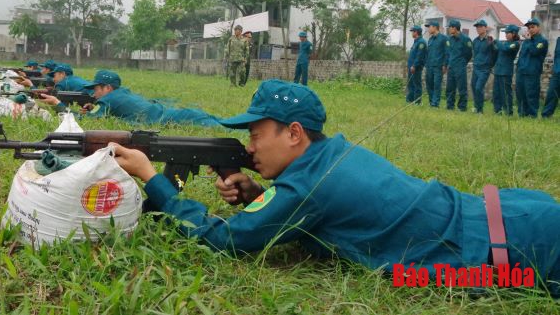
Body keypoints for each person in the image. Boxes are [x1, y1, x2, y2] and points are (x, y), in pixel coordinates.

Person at [110, 79, 560, 296]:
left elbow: (225, 241)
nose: (250, 145)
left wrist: (153, 179)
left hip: (510, 252)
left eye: (255, 134)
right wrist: (256, 196)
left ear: (293, 133)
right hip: (511, 212)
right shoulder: (331, 155)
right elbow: (308, 212)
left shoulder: (309, 185)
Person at [41, 70, 221, 127]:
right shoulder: (120, 93)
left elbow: (84, 120)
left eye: (96, 89)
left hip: (167, 118)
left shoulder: (109, 99)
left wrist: (59, 105)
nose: (94, 94)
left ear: (108, 88)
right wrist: (95, 105)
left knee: (219, 126)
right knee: (211, 119)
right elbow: (102, 110)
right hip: (169, 112)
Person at [516, 18, 549, 117]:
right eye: (529, 27)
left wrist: (529, 40)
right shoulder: (527, 40)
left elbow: (534, 51)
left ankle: (532, 115)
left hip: (532, 72)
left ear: (538, 27)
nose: (530, 29)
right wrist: (518, 67)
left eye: (533, 27)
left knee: (531, 94)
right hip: (521, 71)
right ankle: (522, 114)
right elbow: (522, 55)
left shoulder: (542, 41)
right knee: (520, 93)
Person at [492, 25, 521, 115]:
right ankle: (498, 110)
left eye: (507, 33)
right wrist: (492, 44)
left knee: (506, 93)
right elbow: (498, 50)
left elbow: (505, 49)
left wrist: (497, 41)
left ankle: (508, 111)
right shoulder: (504, 43)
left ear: (514, 33)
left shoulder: (515, 44)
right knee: (496, 92)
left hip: (506, 71)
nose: (505, 34)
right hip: (498, 70)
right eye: (505, 33)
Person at [445, 19, 472, 111]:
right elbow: (448, 53)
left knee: (462, 88)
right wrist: (448, 63)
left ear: (455, 28)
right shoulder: (449, 39)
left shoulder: (466, 39)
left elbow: (469, 54)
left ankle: (462, 107)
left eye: (450, 27)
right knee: (450, 88)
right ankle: (450, 106)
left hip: (460, 67)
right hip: (451, 67)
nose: (449, 29)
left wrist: (462, 62)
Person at [470, 19, 493, 113]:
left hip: (484, 69)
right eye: (477, 27)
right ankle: (476, 107)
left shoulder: (490, 40)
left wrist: (490, 64)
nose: (478, 29)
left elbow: (494, 53)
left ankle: (480, 109)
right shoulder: (475, 41)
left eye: (480, 27)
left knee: (479, 87)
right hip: (476, 67)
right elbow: (474, 54)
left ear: (485, 28)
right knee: (473, 86)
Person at [424, 20, 448, 108]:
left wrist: (445, 64)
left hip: (438, 66)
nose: (428, 29)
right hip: (429, 66)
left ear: (434, 27)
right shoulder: (430, 39)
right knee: (429, 84)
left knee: (437, 85)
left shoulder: (444, 38)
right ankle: (431, 102)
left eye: (429, 27)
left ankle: (435, 104)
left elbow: (446, 52)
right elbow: (428, 53)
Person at [406, 25, 427, 104]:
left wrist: (414, 66)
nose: (412, 33)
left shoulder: (421, 42)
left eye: (413, 31)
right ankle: (410, 100)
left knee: (416, 85)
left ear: (416, 32)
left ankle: (417, 102)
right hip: (411, 67)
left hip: (416, 68)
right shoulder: (416, 42)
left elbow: (419, 56)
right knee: (410, 84)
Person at [542, 37, 560, 118]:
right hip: (557, 71)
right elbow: (556, 56)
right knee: (551, 93)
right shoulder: (559, 40)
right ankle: (546, 115)